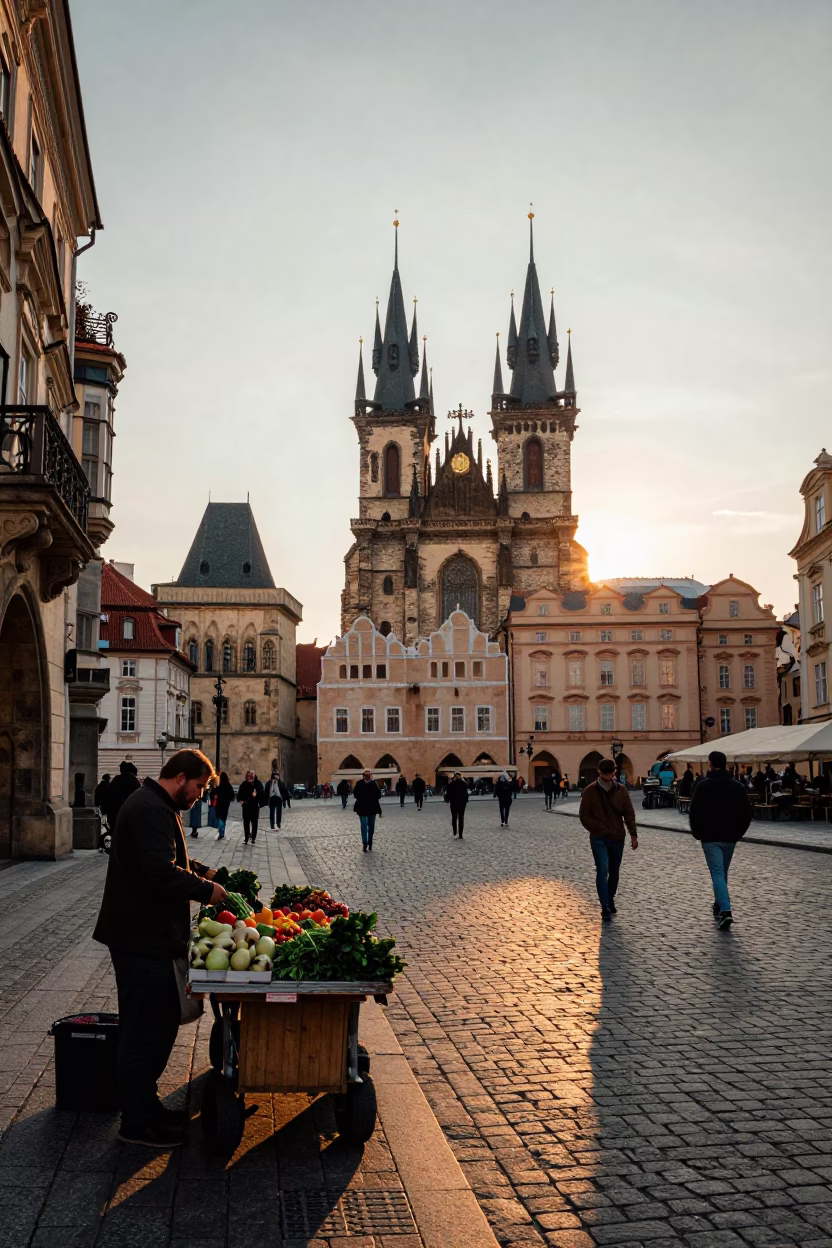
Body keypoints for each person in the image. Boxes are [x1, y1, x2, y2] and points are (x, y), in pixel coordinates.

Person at [93, 748, 228, 1148]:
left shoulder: (155, 803)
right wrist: (208, 891)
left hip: (145, 935)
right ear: (182, 777)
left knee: (159, 1022)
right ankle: (136, 1123)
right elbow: (159, 871)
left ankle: (146, 1107)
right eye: (200, 787)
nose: (200, 795)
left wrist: (201, 868)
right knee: (143, 1030)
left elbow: (166, 856)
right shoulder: (151, 808)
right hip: (141, 937)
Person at [689, 750, 751, 930]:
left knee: (718, 874)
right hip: (730, 837)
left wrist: (697, 832)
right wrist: (739, 833)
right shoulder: (737, 787)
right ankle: (718, 903)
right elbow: (747, 814)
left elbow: (694, 812)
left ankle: (726, 911)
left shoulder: (704, 785)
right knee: (722, 873)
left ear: (710, 764)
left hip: (711, 838)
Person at [578, 757, 638, 922]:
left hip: (617, 837)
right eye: (606, 773)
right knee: (602, 870)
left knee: (614, 873)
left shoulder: (621, 790)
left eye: (610, 772)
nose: (608, 775)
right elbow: (584, 816)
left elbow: (629, 812)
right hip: (599, 838)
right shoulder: (590, 791)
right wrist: (599, 828)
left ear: (614, 772)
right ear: (600, 772)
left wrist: (633, 833)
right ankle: (605, 905)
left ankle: (609, 899)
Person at [101, 761, 141, 829]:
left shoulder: (116, 780)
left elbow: (108, 796)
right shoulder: (135, 781)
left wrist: (104, 809)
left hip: (115, 813)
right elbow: (139, 798)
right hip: (129, 814)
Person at [353, 768, 382, 851]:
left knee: (371, 826)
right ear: (364, 776)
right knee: (364, 826)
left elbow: (378, 795)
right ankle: (365, 843)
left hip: (371, 808)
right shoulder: (360, 783)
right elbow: (355, 794)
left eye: (369, 775)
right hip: (363, 808)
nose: (367, 777)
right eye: (366, 775)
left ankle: (369, 842)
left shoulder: (373, 783)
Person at [237, 771, 264, 844]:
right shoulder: (244, 784)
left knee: (254, 823)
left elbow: (262, 794)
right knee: (246, 822)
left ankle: (253, 838)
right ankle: (246, 837)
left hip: (255, 806)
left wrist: (257, 797)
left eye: (251, 778)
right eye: (248, 778)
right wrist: (241, 800)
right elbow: (239, 794)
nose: (249, 780)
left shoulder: (258, 784)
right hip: (246, 806)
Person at [444, 771, 469, 838]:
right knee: (461, 818)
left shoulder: (451, 784)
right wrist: (466, 800)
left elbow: (447, 794)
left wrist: (447, 800)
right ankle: (460, 834)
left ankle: (455, 832)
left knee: (454, 817)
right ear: (460, 776)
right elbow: (466, 794)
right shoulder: (464, 784)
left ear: (454, 776)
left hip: (453, 803)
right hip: (462, 803)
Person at [214, 770, 235, 839]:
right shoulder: (228, 785)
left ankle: (221, 832)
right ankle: (222, 831)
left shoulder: (219, 785)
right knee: (223, 818)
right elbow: (232, 795)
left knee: (220, 817)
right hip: (225, 804)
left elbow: (216, 793)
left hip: (220, 804)